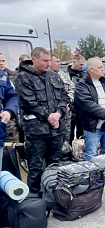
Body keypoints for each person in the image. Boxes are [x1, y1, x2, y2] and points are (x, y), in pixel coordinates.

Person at [15, 47, 70, 195]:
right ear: (34, 59)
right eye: (44, 61)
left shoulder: (54, 76)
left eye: (49, 61)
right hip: (36, 132)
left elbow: (64, 98)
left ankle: (54, 197)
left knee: (56, 166)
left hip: (56, 130)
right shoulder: (23, 77)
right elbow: (28, 102)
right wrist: (49, 116)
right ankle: (34, 201)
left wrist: (58, 114)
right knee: (36, 168)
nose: (48, 64)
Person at [74, 58, 105, 165]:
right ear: (91, 69)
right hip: (93, 126)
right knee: (91, 155)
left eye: (102, 67)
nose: (103, 69)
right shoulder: (82, 85)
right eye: (99, 67)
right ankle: (91, 180)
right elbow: (88, 105)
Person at [51, 54, 75, 145]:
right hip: (52, 114)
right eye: (56, 62)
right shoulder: (44, 76)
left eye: (59, 61)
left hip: (66, 113)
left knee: (66, 138)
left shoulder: (63, 75)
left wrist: (68, 103)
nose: (59, 64)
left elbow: (72, 88)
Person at [0, 56, 18, 171]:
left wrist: (8, 111)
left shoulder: (3, 76)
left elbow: (12, 96)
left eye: (2, 60)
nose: (1, 63)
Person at [68, 54, 86, 144]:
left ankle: (80, 150)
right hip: (71, 107)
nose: (82, 67)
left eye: (83, 65)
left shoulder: (84, 75)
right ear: (74, 62)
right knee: (69, 132)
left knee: (81, 132)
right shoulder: (66, 75)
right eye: (80, 64)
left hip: (82, 107)